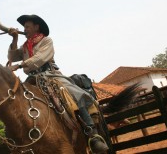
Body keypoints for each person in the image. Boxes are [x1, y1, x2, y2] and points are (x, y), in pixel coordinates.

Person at [7, 14, 108, 153]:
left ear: (36, 27)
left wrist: (20, 65)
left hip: (50, 75)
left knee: (74, 94)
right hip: (31, 79)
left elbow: (40, 58)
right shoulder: (25, 47)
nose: (25, 29)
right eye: (24, 27)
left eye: (27, 26)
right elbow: (12, 56)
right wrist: (14, 39)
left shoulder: (46, 41)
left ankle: (93, 134)